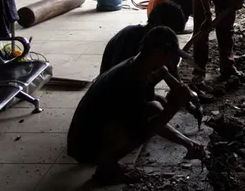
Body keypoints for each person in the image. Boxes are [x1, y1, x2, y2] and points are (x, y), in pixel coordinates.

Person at [68, 26, 205, 185]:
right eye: (169, 56)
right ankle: (106, 169)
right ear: (159, 52)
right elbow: (143, 130)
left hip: (86, 136)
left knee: (154, 106)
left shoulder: (136, 66)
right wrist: (172, 108)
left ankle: (108, 162)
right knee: (141, 127)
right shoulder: (130, 80)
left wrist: (187, 143)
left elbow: (151, 110)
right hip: (85, 147)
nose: (169, 62)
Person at [101, 1, 187, 74]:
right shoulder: (129, 38)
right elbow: (119, 78)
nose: (171, 37)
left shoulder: (152, 42)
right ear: (157, 25)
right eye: (170, 32)